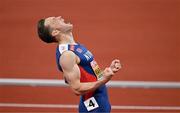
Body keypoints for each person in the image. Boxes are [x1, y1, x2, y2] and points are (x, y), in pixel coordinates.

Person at [37, 16, 121, 113]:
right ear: (55, 32)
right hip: (94, 107)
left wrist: (107, 71)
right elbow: (77, 88)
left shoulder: (75, 46)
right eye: (54, 20)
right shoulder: (67, 55)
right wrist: (104, 80)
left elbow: (87, 74)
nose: (59, 17)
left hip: (99, 100)